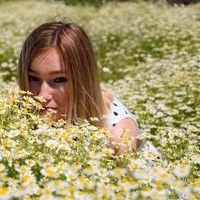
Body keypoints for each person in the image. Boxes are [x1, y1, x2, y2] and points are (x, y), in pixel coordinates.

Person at [17, 21, 160, 157]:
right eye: (33, 78)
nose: (42, 95)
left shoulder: (118, 138)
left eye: (59, 80)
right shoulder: (15, 109)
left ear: (83, 80)